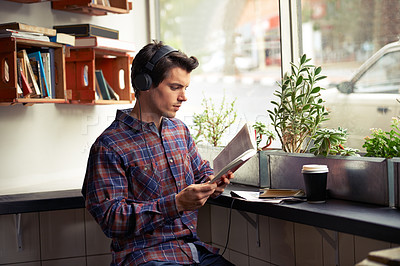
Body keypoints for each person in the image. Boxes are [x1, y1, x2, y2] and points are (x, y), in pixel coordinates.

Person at [82, 41, 235, 266]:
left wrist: (213, 183)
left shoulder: (179, 130)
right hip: (144, 257)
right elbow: (111, 219)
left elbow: (201, 172)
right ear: (144, 84)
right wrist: (177, 203)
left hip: (191, 250)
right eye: (175, 87)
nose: (183, 97)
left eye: (185, 88)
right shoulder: (109, 146)